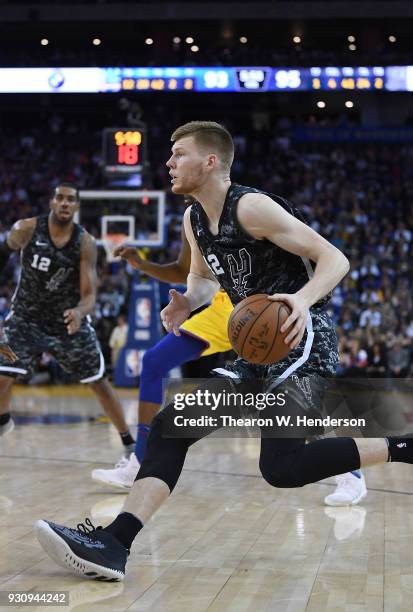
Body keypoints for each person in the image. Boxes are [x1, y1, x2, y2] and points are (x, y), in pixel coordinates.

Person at [37, 122, 409, 583]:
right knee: (173, 426)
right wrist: (185, 302)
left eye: (178, 154)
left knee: (281, 467)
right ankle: (115, 544)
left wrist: (302, 299)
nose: (168, 163)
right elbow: (202, 283)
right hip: (256, 347)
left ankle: (400, 446)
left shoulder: (251, 207)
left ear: (210, 161)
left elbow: (334, 258)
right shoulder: (194, 220)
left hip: (299, 336)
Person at [92, 232, 365, 506]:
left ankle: (351, 472)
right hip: (225, 309)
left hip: (262, 307)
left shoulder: (247, 208)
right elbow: (183, 270)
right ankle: (139, 461)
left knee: (291, 396)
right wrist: (144, 265)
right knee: (154, 361)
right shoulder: (194, 217)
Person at [0, 183, 135, 456]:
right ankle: (3, 421)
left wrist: (79, 312)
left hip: (66, 323)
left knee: (99, 382)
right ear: (51, 202)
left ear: (76, 206)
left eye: (70, 200)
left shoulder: (85, 243)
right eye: (59, 198)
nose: (64, 203)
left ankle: (129, 443)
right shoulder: (25, 229)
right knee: (3, 372)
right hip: (26, 318)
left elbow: (89, 296)